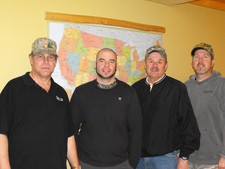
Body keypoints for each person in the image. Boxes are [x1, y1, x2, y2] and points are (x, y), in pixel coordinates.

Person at [0, 37, 79, 169]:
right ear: (31, 59)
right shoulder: (13, 88)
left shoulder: (61, 93)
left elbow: (68, 135)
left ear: (55, 61)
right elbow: (1, 132)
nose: (46, 61)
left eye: (50, 57)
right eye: (40, 56)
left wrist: (76, 166)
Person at [70, 48, 142, 169]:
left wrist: (132, 163)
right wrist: (76, 162)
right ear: (95, 64)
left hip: (122, 164)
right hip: (87, 163)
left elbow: (136, 131)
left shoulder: (128, 93)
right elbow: (71, 129)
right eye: (102, 61)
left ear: (116, 66)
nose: (106, 65)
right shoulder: (81, 92)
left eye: (111, 61)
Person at [132, 45, 200, 169]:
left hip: (165, 159)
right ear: (145, 65)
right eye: (151, 61)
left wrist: (184, 157)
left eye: (159, 61)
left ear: (166, 65)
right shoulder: (135, 89)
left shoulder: (177, 88)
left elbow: (188, 123)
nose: (155, 65)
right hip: (138, 159)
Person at [185, 42, 225, 169]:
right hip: (188, 158)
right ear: (192, 62)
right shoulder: (184, 87)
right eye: (196, 56)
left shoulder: (222, 85)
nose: (200, 60)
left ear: (213, 62)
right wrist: (181, 155)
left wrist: (224, 156)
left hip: (214, 161)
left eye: (205, 56)